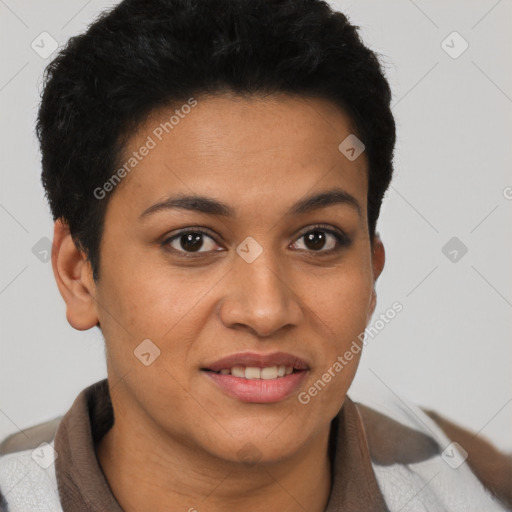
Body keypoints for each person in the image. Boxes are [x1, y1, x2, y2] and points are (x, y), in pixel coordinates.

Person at [0, 0, 510, 510]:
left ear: (372, 271)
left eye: (317, 239)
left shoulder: (475, 494)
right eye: (192, 241)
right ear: (79, 274)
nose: (266, 310)